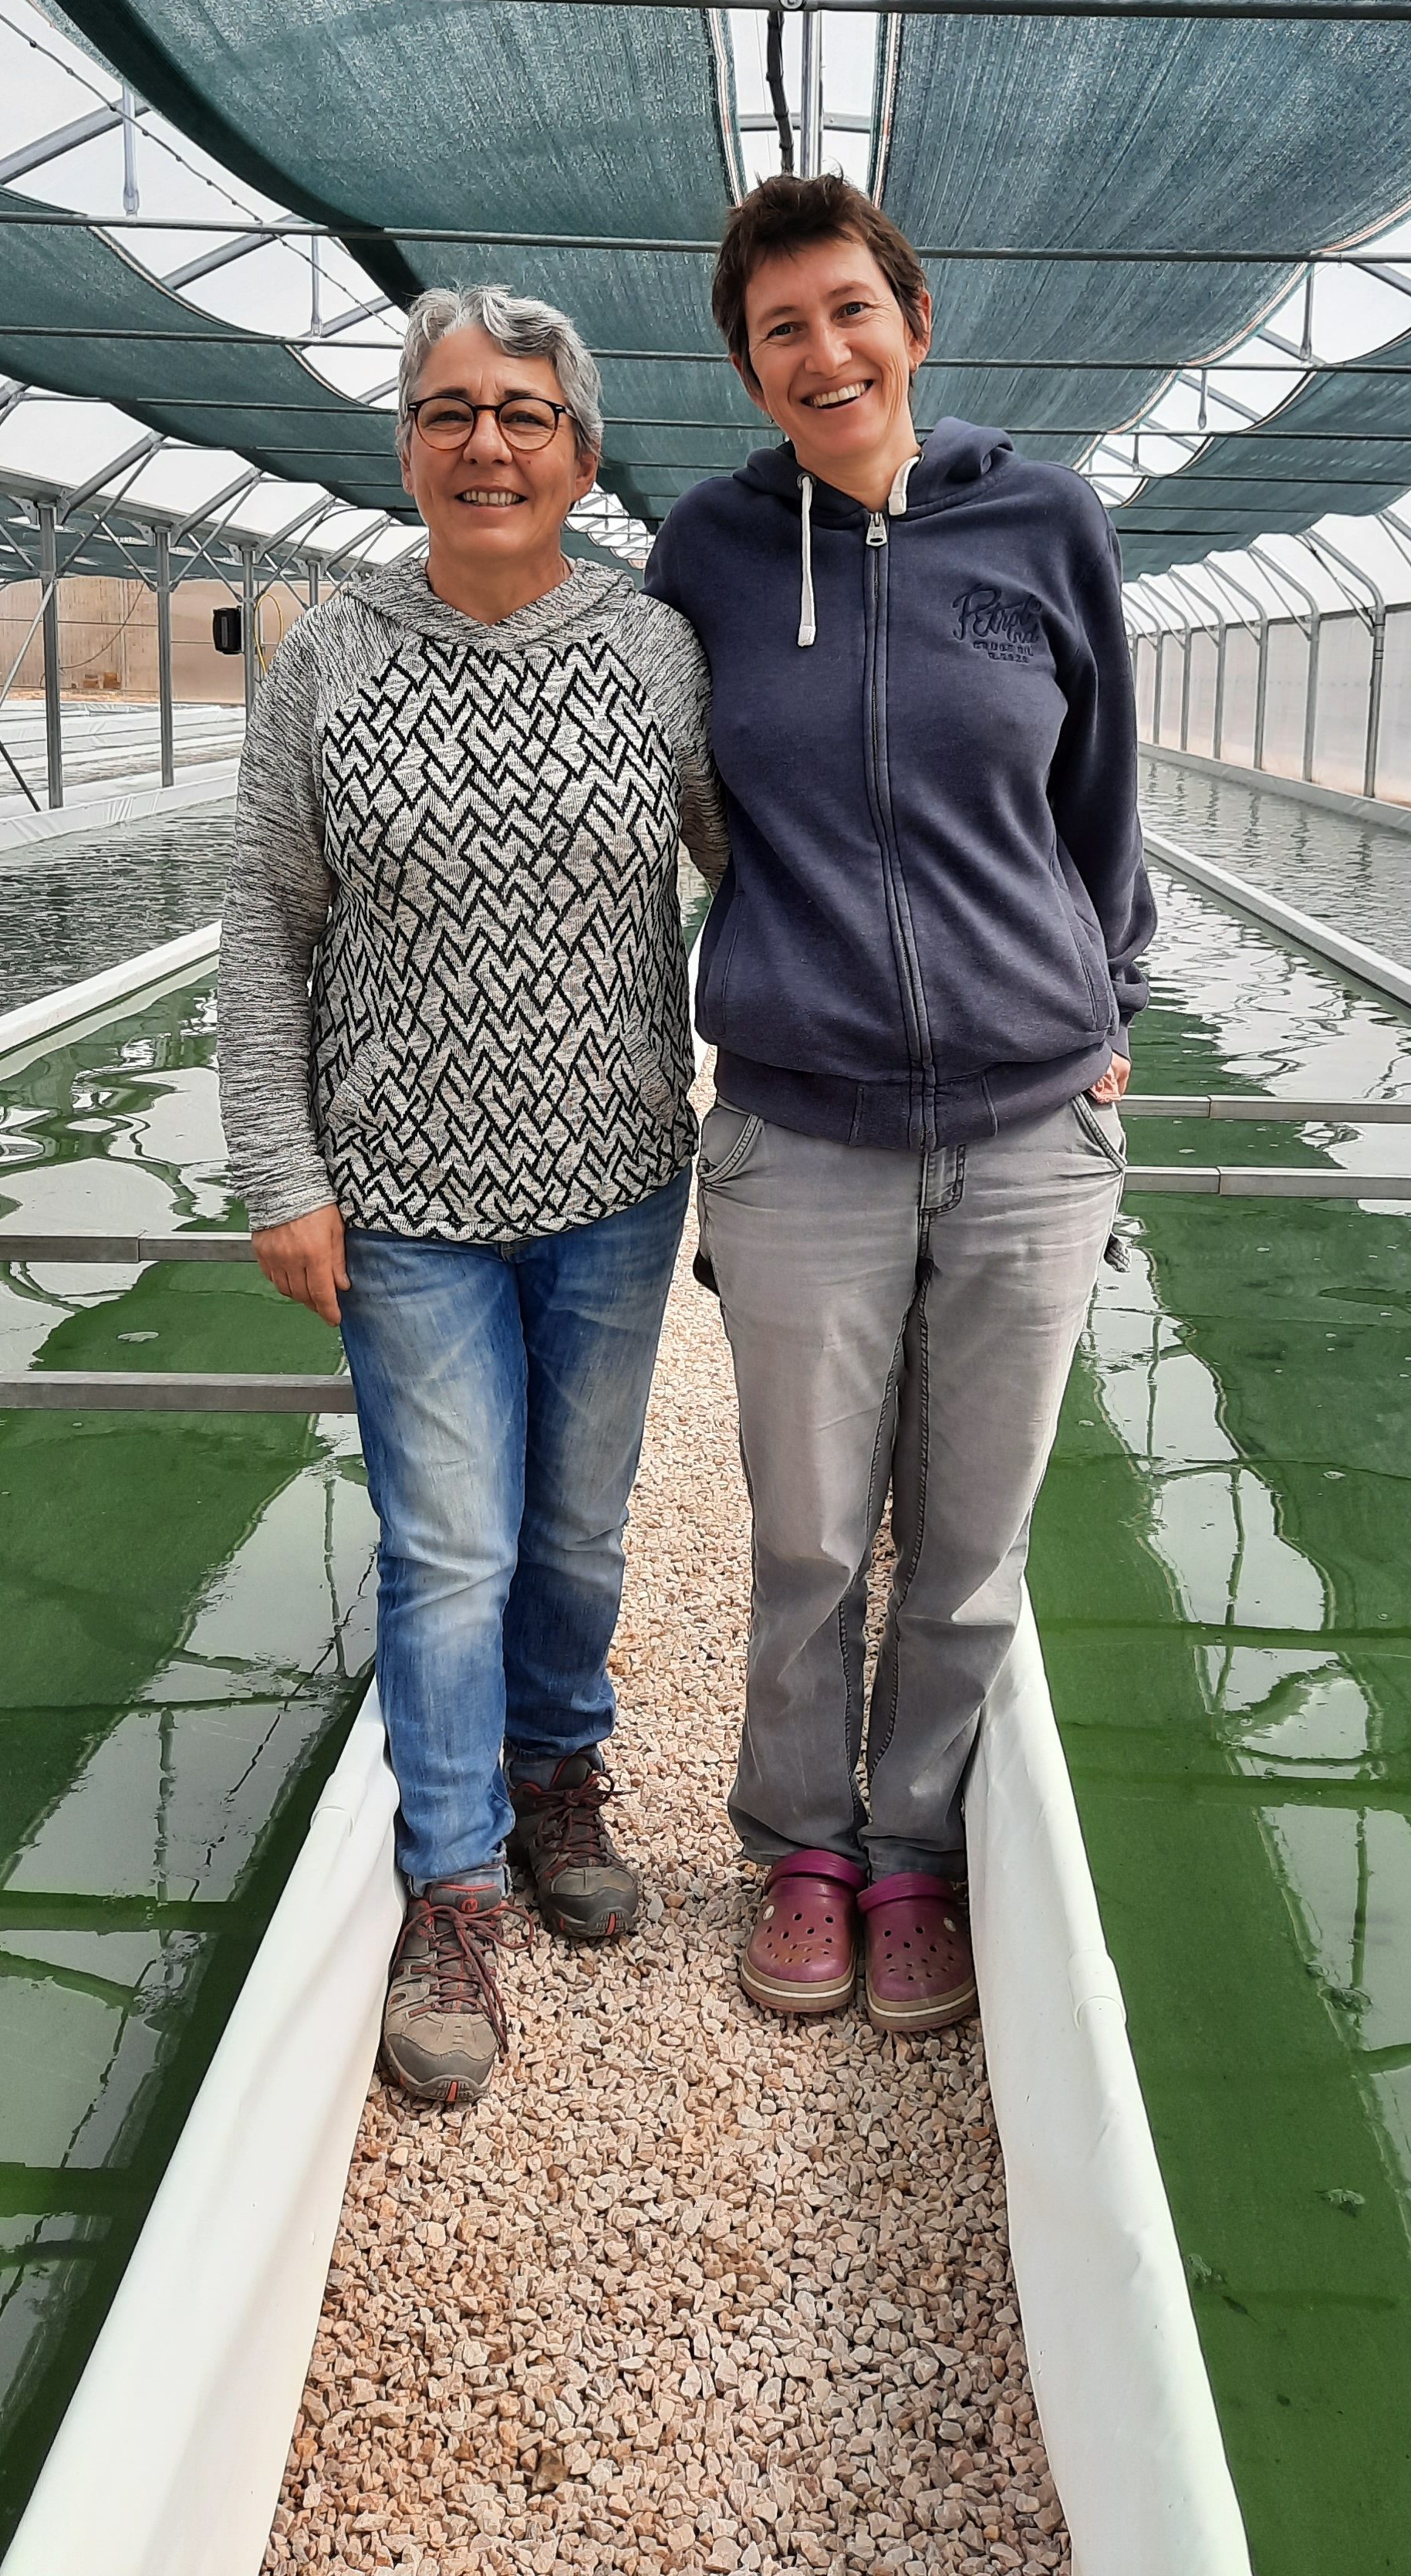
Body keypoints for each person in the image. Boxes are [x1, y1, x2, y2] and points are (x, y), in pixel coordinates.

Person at [645, 174, 1154, 2036]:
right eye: (781, 327)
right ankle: (802, 1842)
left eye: (850, 308)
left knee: (970, 1532)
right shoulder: (707, 552)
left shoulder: (1044, 523)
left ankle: (919, 1853)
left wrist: (1105, 1000)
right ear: (750, 369)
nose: (824, 349)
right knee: (805, 1527)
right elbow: (677, 800)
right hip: (801, 1131)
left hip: (1030, 1132)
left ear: (914, 323)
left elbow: (1102, 796)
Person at [219, 285, 723, 2106]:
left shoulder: (655, 650)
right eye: (448, 411)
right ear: (407, 446)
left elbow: (751, 879)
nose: (484, 443)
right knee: (449, 1544)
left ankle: (556, 1769)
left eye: (522, 413)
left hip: (612, 1175)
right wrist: (280, 1172)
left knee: (576, 1528)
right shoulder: (328, 661)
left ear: (581, 453)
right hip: (402, 1189)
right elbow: (264, 926)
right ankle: (450, 1888)